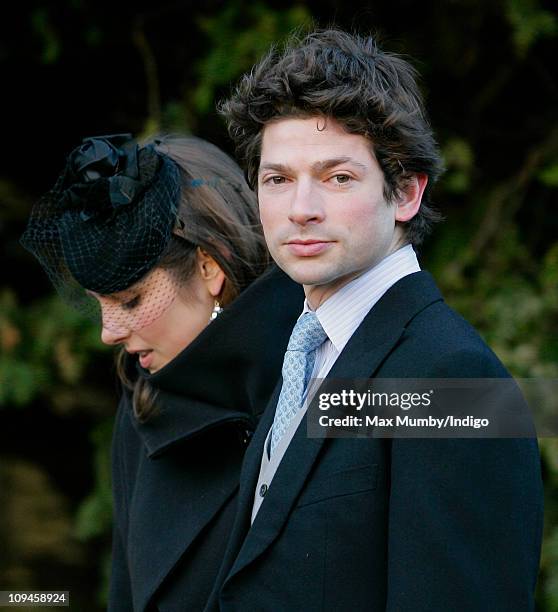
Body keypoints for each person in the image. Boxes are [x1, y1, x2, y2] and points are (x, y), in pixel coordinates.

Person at [207, 29, 545, 611]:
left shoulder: (454, 379)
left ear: (407, 192)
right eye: (278, 179)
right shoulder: (301, 349)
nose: (300, 209)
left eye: (338, 177)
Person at [20, 133, 303, 610]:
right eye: (99, 305)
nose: (108, 333)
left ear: (209, 266)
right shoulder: (143, 411)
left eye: (130, 300)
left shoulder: (327, 378)